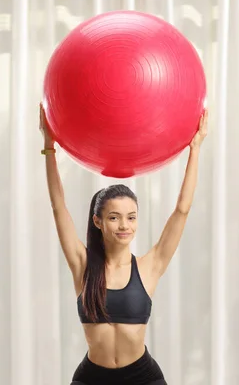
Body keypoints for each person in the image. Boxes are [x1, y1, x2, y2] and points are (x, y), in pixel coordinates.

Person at [39, 103, 208, 385]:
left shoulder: (150, 266)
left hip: (142, 377)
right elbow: (58, 207)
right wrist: (49, 147)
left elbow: (181, 210)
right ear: (98, 222)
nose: (124, 225)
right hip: (92, 378)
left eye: (131, 217)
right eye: (114, 217)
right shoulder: (82, 265)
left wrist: (195, 149)